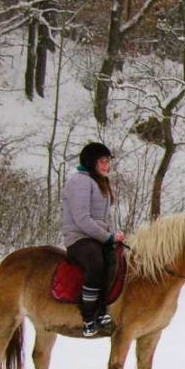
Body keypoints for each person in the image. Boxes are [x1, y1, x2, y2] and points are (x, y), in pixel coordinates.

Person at [61, 141, 124, 337]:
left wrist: (113, 236)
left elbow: (101, 219)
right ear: (91, 162)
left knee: (116, 259)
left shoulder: (98, 181)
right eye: (103, 161)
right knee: (95, 261)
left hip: (95, 237)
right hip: (79, 238)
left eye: (108, 161)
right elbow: (82, 218)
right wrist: (108, 237)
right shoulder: (80, 182)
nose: (107, 165)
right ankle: (88, 316)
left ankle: (102, 308)